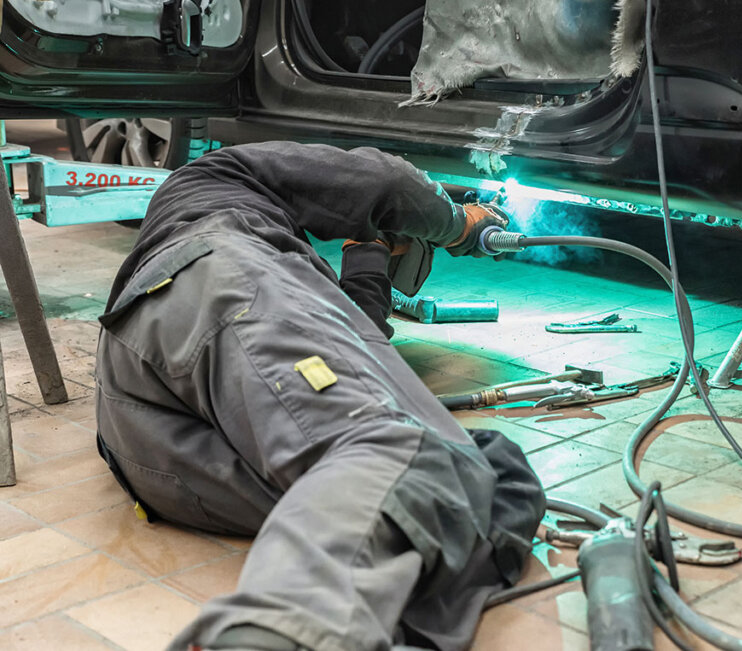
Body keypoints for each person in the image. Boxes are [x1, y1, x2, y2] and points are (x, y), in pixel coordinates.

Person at [93, 141, 546, 651]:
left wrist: (367, 263)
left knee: (481, 478)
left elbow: (348, 348)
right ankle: (268, 637)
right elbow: (386, 180)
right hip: (211, 281)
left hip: (149, 440)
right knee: (392, 453)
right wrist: (459, 223)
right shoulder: (220, 177)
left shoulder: (276, 263)